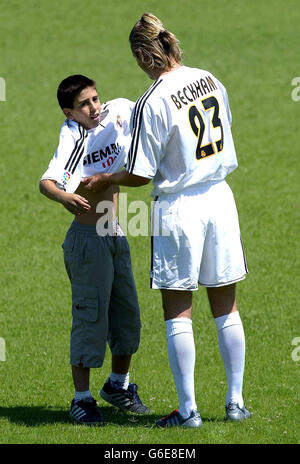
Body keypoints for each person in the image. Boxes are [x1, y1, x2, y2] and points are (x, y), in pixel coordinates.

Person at [82, 13, 251, 428]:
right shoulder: (209, 78)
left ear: (143, 55)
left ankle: (188, 411)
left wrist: (105, 177)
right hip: (220, 198)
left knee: (178, 310)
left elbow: (140, 173)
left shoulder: (152, 100)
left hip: (179, 207)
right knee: (225, 306)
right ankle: (235, 402)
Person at [39, 74, 149, 425]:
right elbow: (47, 182)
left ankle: (118, 386)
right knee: (90, 321)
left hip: (115, 234)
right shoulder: (72, 135)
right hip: (87, 243)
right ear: (69, 112)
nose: (93, 108)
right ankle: (81, 400)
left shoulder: (117, 114)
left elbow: (149, 111)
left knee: (127, 316)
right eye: (84, 104)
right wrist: (64, 196)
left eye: (95, 99)